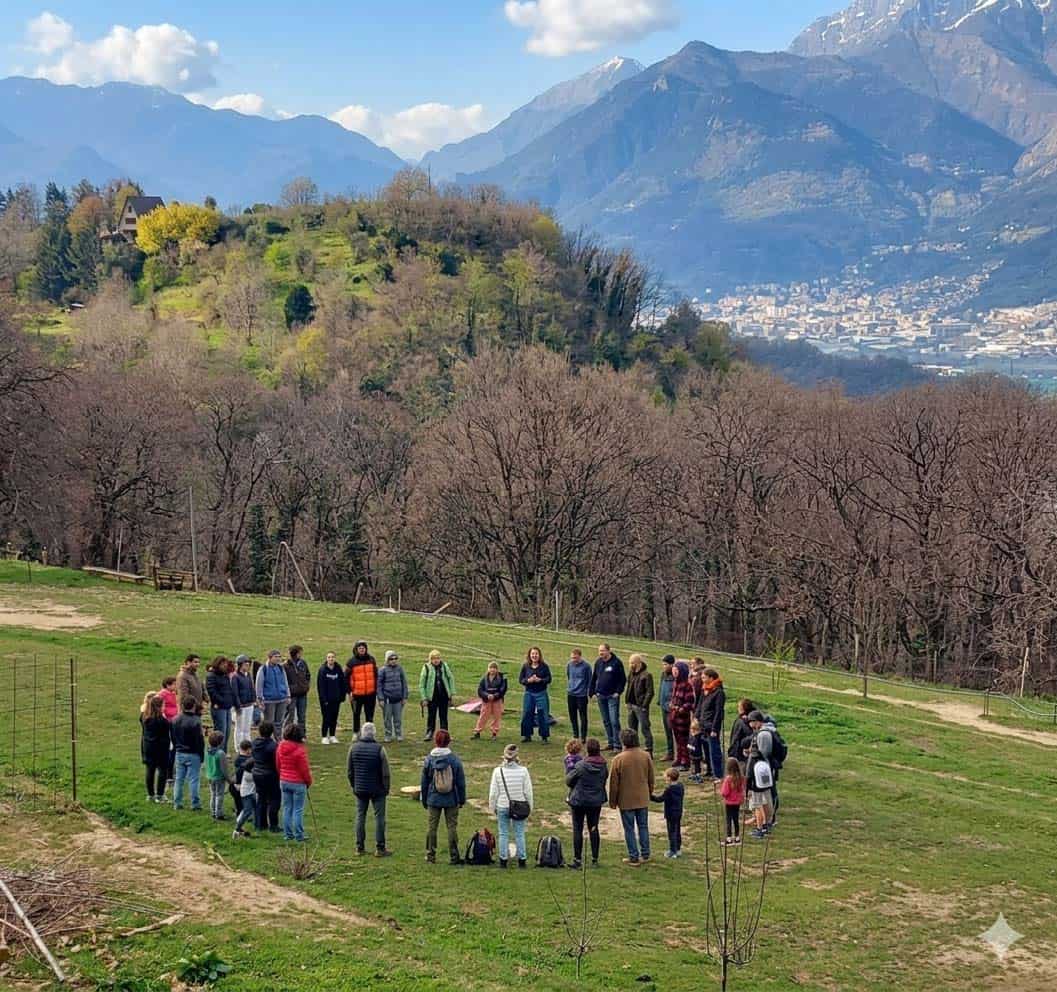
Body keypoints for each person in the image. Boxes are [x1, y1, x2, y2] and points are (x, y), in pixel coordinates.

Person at [608, 728, 655, 866]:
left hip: (626, 799)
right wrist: (649, 792)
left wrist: (612, 801)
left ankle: (633, 856)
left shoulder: (618, 759)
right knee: (643, 826)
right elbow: (651, 778)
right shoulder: (646, 756)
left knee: (629, 829)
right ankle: (646, 854)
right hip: (642, 797)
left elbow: (613, 784)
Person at [420, 729, 466, 864]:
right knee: (452, 827)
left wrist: (424, 798)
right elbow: (461, 782)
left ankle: (430, 855)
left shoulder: (429, 759)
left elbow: (424, 781)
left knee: (432, 827)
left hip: (433, 798)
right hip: (451, 798)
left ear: (436, 741)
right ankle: (454, 855)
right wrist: (462, 799)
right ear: (449, 741)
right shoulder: (454, 760)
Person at [346, 722, 392, 856]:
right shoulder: (380, 749)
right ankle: (380, 848)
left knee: (360, 816)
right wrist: (386, 788)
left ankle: (359, 847)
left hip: (360, 788)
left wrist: (354, 785)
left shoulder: (353, 748)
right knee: (379, 818)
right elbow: (386, 773)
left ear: (361, 732)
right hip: (378, 790)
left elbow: (349, 771)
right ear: (374, 733)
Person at [488, 743, 533, 869]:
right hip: (520, 805)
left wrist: (492, 808)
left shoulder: (498, 771)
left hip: (502, 805)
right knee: (519, 833)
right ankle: (522, 859)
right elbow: (528, 792)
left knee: (503, 833)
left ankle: (503, 859)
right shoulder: (523, 771)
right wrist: (530, 807)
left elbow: (493, 793)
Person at [566, 737, 608, 869]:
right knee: (593, 828)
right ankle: (594, 859)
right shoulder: (603, 766)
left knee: (577, 829)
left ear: (587, 751)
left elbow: (569, 780)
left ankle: (577, 859)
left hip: (579, 801)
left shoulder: (581, 766)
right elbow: (605, 778)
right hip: (595, 801)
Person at [276, 722, 312, 842]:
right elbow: (304, 769)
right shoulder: (300, 750)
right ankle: (299, 834)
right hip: (298, 782)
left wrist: (281, 774)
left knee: (287, 808)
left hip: (284, 780)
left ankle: (288, 834)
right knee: (298, 809)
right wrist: (308, 781)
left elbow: (278, 763)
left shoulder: (281, 746)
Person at [748, 709, 783, 827]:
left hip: (765, 769)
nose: (751, 726)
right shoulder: (766, 732)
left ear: (757, 722)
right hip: (766, 767)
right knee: (768, 793)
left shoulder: (763, 734)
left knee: (769, 793)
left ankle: (770, 819)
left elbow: (764, 753)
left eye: (751, 723)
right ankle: (767, 818)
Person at [590, 643, 626, 751]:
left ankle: (617, 745)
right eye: (599, 651)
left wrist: (618, 692)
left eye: (603, 651)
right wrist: (591, 692)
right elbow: (594, 678)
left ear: (609, 651)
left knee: (614, 720)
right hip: (601, 695)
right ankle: (610, 742)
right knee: (606, 720)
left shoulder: (616, 663)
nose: (601, 653)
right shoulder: (598, 662)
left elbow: (622, 679)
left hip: (612, 696)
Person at [171, 697, 204, 811]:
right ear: (193, 706)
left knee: (179, 779)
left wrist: (177, 747)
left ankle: (177, 803)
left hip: (180, 752)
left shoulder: (175, 719)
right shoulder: (196, 721)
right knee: (194, 779)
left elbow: (173, 737)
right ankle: (195, 803)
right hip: (193, 753)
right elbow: (199, 740)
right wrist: (201, 755)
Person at [251, 721, 281, 833]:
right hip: (270, 774)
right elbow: (277, 761)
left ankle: (260, 823)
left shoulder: (254, 743)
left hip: (257, 773)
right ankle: (273, 824)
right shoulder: (273, 746)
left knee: (261, 798)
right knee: (274, 799)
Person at [518, 646, 552, 743]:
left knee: (543, 714)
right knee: (527, 713)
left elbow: (549, 679)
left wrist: (540, 680)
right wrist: (528, 680)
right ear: (529, 655)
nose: (534, 655)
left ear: (539, 655)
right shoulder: (525, 666)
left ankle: (544, 737)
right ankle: (527, 735)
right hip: (529, 693)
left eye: (536, 654)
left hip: (541, 693)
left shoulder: (544, 666)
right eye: (532, 654)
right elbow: (521, 680)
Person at [345, 641, 378, 738]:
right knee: (356, 714)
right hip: (356, 694)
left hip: (370, 693)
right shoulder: (351, 662)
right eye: (360, 648)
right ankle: (356, 732)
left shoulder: (371, 660)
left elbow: (376, 675)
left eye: (363, 648)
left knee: (369, 715)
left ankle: (370, 733)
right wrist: (349, 691)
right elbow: (345, 678)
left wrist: (375, 689)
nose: (362, 649)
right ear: (356, 649)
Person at [140, 695, 170, 803]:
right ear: (159, 707)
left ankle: (150, 794)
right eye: (163, 705)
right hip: (160, 749)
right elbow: (166, 736)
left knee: (150, 770)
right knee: (162, 771)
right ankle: (160, 794)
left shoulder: (144, 717)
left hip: (148, 746)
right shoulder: (162, 721)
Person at [420, 650, 455, 741]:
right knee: (431, 716)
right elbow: (422, 684)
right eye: (433, 658)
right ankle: (430, 733)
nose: (436, 660)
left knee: (443, 716)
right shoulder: (426, 667)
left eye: (437, 658)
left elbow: (450, 678)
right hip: (432, 696)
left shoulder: (444, 666)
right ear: (430, 659)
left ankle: (445, 734)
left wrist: (451, 693)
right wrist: (424, 698)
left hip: (443, 695)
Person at [698, 668, 726, 779]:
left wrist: (715, 728)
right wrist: (696, 717)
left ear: (711, 678)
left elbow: (718, 712)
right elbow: (700, 705)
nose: (702, 680)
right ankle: (710, 770)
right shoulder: (705, 690)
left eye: (704, 677)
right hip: (703, 724)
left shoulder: (718, 692)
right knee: (706, 750)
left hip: (711, 726)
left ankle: (718, 774)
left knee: (714, 751)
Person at [625, 653, 655, 755]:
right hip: (631, 705)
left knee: (645, 728)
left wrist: (644, 705)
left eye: (632, 663)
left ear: (638, 663)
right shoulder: (631, 673)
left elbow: (650, 692)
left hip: (640, 707)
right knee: (632, 729)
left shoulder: (646, 675)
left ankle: (649, 749)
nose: (630, 665)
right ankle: (633, 748)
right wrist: (627, 701)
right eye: (630, 663)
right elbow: (629, 687)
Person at [746, 735, 775, 841]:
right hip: (766, 785)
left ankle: (759, 829)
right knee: (767, 803)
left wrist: (747, 790)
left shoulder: (752, 758)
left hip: (756, 786)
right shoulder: (763, 757)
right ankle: (767, 824)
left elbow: (748, 775)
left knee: (757, 806)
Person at [652, 767, 685, 859]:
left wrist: (650, 796)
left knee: (672, 832)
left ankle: (672, 851)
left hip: (670, 813)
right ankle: (678, 849)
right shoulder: (680, 786)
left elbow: (660, 799)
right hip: (678, 812)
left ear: (669, 778)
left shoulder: (669, 789)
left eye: (666, 777)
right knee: (677, 831)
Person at [206, 656, 237, 752]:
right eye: (223, 664)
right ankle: (217, 751)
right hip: (219, 708)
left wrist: (231, 701)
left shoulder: (225, 675)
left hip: (227, 707)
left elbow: (229, 689)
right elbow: (212, 692)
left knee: (227, 731)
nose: (225, 666)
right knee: (220, 730)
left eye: (225, 664)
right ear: (217, 664)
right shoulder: (211, 676)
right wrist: (222, 701)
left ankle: (223, 751)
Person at [668, 662, 695, 771]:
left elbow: (689, 702)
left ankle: (685, 761)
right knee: (677, 739)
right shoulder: (675, 683)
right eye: (673, 670)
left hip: (682, 717)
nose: (674, 672)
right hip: (674, 716)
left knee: (683, 740)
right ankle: (679, 758)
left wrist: (680, 708)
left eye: (676, 670)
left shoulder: (687, 685)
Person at [377, 650, 409, 743]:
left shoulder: (400, 669)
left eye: (395, 658)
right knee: (387, 718)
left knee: (398, 718)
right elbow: (379, 686)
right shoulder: (382, 670)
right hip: (387, 699)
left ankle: (398, 734)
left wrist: (405, 697)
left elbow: (404, 683)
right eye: (391, 659)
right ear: (387, 660)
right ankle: (388, 735)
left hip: (398, 699)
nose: (393, 660)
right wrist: (381, 698)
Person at [256, 650, 291, 731]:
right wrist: (260, 699)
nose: (278, 659)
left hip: (282, 699)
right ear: (270, 658)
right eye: (276, 657)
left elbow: (285, 682)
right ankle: (268, 740)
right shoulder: (263, 669)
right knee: (269, 723)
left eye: (279, 657)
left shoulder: (281, 668)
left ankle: (278, 741)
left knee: (279, 722)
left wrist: (288, 695)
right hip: (269, 701)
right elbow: (259, 685)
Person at [473, 661, 507, 740]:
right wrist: (486, 695)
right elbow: (480, 690)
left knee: (497, 716)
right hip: (486, 700)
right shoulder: (484, 679)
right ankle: (477, 731)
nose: (492, 670)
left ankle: (494, 733)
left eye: (494, 668)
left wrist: (495, 696)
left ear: (497, 669)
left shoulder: (502, 678)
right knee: (483, 715)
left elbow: (503, 689)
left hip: (497, 700)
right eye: (491, 668)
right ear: (488, 669)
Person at [206, 730, 235, 821]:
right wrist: (229, 779)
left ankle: (213, 812)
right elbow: (224, 769)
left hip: (210, 776)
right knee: (219, 795)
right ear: (220, 742)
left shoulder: (207, 751)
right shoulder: (220, 753)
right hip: (219, 777)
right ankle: (219, 813)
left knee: (213, 794)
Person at [317, 651, 345, 744]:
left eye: (332, 657)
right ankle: (324, 736)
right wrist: (323, 699)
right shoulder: (323, 670)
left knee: (334, 717)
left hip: (336, 699)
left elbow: (342, 683)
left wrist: (342, 696)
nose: (331, 659)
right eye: (329, 657)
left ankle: (332, 735)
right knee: (326, 717)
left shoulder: (338, 669)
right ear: (326, 658)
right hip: (326, 700)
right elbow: (320, 686)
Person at [717, 757, 746, 846]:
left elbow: (725, 792)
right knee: (736, 820)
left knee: (728, 820)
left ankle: (728, 839)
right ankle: (737, 838)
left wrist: (720, 791)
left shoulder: (728, 779)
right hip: (737, 802)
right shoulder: (741, 778)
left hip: (729, 803)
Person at [566, 648, 591, 742]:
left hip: (581, 695)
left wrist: (588, 692)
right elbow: (569, 676)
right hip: (571, 693)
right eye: (572, 658)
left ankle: (583, 736)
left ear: (580, 656)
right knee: (572, 715)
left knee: (583, 716)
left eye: (575, 658)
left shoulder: (586, 666)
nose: (574, 660)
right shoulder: (569, 665)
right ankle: (575, 734)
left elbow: (589, 680)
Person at [284, 645, 312, 731]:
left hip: (302, 694)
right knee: (290, 716)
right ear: (296, 653)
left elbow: (308, 675)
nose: (301, 654)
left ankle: (301, 734)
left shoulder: (303, 663)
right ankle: (288, 734)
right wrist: (290, 689)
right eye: (300, 652)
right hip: (292, 695)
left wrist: (306, 685)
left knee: (302, 716)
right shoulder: (286, 665)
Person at [233, 740, 256, 839]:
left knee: (252, 809)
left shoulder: (244, 768)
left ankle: (256, 824)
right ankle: (237, 828)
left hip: (248, 792)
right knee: (247, 810)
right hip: (247, 794)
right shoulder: (249, 776)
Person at [728, 697, 757, 773]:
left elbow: (736, 738)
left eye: (739, 706)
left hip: (740, 753)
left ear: (743, 708)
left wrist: (732, 752)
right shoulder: (751, 718)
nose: (737, 708)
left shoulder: (742, 722)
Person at [232, 656, 256, 747]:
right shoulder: (235, 677)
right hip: (241, 705)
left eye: (249, 664)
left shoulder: (248, 675)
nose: (248, 666)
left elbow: (251, 687)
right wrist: (238, 706)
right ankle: (238, 746)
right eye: (245, 664)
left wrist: (254, 699)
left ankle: (247, 744)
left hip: (249, 704)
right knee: (239, 727)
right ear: (240, 665)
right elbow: (235, 693)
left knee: (247, 726)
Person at [658, 655, 675, 762]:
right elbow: (661, 687)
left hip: (672, 708)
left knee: (675, 732)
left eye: (665, 664)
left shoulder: (675, 676)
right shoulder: (663, 675)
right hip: (664, 706)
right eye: (663, 664)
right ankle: (670, 752)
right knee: (667, 731)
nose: (663, 666)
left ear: (672, 664)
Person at [687, 718, 708, 783]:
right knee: (693, 764)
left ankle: (698, 775)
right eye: (691, 729)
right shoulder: (691, 736)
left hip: (697, 754)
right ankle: (694, 774)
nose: (693, 731)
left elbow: (698, 746)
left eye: (694, 730)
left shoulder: (699, 737)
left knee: (697, 765)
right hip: (692, 753)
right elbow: (690, 742)